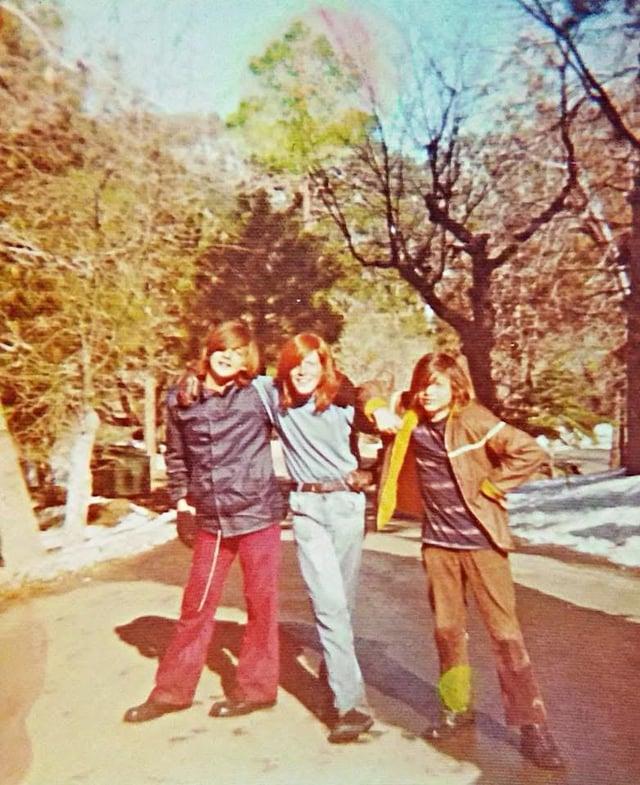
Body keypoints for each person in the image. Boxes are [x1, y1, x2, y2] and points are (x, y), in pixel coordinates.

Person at [367, 352, 565, 770]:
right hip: (438, 546)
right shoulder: (411, 417)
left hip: (481, 544)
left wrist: (493, 487)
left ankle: (533, 727)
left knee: (505, 635)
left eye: (436, 385)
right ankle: (457, 708)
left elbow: (528, 451)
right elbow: (367, 390)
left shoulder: (473, 418)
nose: (427, 393)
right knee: (447, 631)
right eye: (422, 385)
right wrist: (377, 408)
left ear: (454, 386)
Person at [124, 320, 286, 723]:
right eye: (222, 348)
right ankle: (172, 693)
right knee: (195, 605)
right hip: (212, 520)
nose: (228, 357)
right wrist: (182, 503)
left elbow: (310, 398)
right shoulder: (181, 397)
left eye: (238, 352)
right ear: (209, 350)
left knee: (261, 605)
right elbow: (176, 456)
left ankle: (257, 689)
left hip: (258, 514)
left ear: (247, 359)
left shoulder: (259, 394)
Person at [252, 333, 375, 744]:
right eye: (296, 363)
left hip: (347, 507)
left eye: (312, 363)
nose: (303, 371)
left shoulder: (341, 399)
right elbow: (234, 374)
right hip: (307, 509)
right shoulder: (273, 396)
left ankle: (335, 678)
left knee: (343, 605)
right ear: (284, 367)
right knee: (329, 605)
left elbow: (380, 411)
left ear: (325, 367)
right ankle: (353, 706)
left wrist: (372, 472)